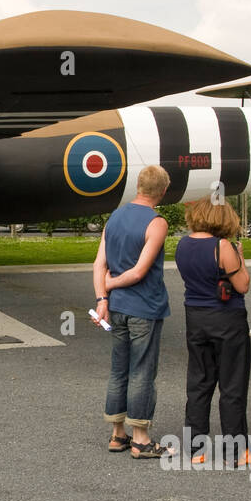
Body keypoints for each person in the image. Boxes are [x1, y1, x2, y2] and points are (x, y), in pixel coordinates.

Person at [164, 195, 251, 463]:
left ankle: (196, 449)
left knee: (199, 381)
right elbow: (243, 285)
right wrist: (240, 257)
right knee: (232, 384)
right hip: (227, 319)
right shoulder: (222, 246)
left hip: (195, 317)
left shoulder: (183, 244)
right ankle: (235, 451)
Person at [92, 165, 174, 459]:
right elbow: (139, 271)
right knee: (142, 371)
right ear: (163, 191)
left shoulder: (114, 216)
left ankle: (117, 434)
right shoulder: (157, 223)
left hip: (116, 308)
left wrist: (103, 297)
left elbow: (99, 263)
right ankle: (141, 439)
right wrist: (111, 284)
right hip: (145, 306)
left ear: (138, 186)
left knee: (119, 368)